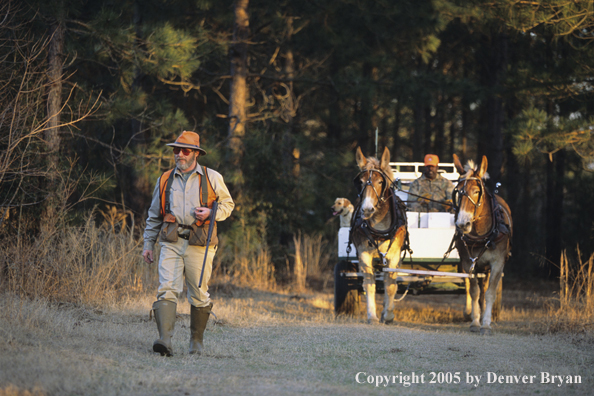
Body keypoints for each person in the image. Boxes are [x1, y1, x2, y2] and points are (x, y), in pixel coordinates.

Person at [142, 131, 234, 357]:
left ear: (195, 154)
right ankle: (164, 341)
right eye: (176, 150)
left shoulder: (212, 177)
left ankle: (196, 343)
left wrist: (212, 211)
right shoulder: (164, 179)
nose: (179, 155)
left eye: (185, 150)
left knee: (199, 294)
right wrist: (148, 244)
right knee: (166, 290)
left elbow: (228, 205)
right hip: (170, 242)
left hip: (200, 244)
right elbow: (154, 215)